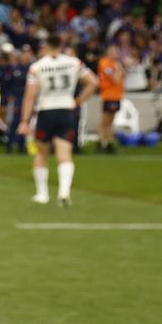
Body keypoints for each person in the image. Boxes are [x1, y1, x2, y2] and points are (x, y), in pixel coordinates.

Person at [19, 34, 97, 206]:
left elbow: (30, 95)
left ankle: (42, 194)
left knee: (41, 152)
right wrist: (78, 101)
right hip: (66, 110)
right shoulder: (74, 62)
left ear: (46, 46)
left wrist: (24, 120)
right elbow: (93, 82)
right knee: (65, 153)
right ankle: (64, 191)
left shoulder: (37, 67)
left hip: (46, 110)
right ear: (61, 46)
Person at [96, 44, 125, 154]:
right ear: (108, 53)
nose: (116, 54)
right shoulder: (105, 63)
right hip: (109, 95)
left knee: (110, 121)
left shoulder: (115, 64)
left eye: (117, 52)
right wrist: (120, 69)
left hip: (116, 95)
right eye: (113, 52)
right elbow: (114, 79)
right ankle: (100, 142)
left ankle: (108, 142)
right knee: (105, 121)